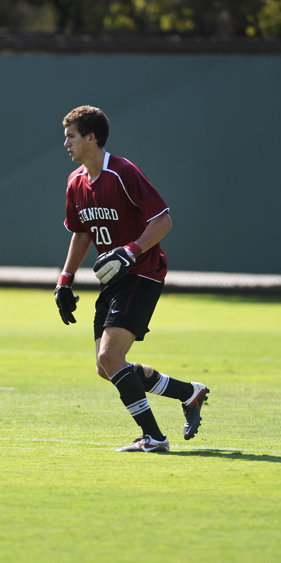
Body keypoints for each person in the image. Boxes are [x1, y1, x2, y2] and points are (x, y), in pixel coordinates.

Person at [54, 105, 209, 453]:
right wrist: (65, 279)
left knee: (110, 359)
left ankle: (153, 437)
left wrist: (131, 250)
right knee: (105, 367)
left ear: (91, 138)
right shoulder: (75, 182)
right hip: (114, 280)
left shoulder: (123, 172)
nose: (65, 143)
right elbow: (81, 233)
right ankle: (189, 393)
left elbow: (163, 221)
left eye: (71, 136)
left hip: (144, 272)